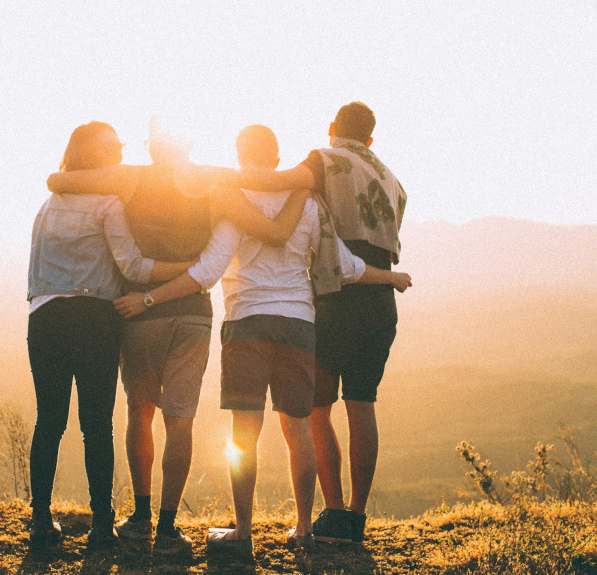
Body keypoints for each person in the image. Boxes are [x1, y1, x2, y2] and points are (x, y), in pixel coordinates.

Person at [113, 125, 411, 556]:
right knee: (298, 429)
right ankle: (305, 529)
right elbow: (344, 265)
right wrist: (390, 277)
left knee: (244, 434)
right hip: (298, 325)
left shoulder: (234, 201)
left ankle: (244, 532)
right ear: (277, 159)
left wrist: (149, 297)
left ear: (239, 155)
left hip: (246, 323)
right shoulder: (308, 203)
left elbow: (208, 271)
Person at [47, 118, 308, 555]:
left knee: (140, 411)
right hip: (192, 314)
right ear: (189, 143)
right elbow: (268, 221)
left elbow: (61, 180)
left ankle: (141, 515)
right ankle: (168, 527)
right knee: (180, 420)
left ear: (152, 148)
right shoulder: (213, 182)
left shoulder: (131, 177)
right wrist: (302, 185)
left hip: (140, 311)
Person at [223, 102, 409, 544]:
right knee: (362, 405)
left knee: (316, 411)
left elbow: (276, 181)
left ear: (331, 129)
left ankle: (333, 512)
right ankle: (356, 520)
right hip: (379, 299)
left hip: (336, 296)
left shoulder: (323, 160)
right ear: (370, 138)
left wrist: (214, 179)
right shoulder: (391, 178)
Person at [26, 121, 192, 552]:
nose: (120, 150)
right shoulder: (108, 203)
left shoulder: (48, 204)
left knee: (49, 421)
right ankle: (101, 526)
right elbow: (134, 268)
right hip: (95, 318)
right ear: (93, 155)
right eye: (112, 146)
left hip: (44, 317)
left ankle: (41, 523)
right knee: (95, 425)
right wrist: (187, 269)